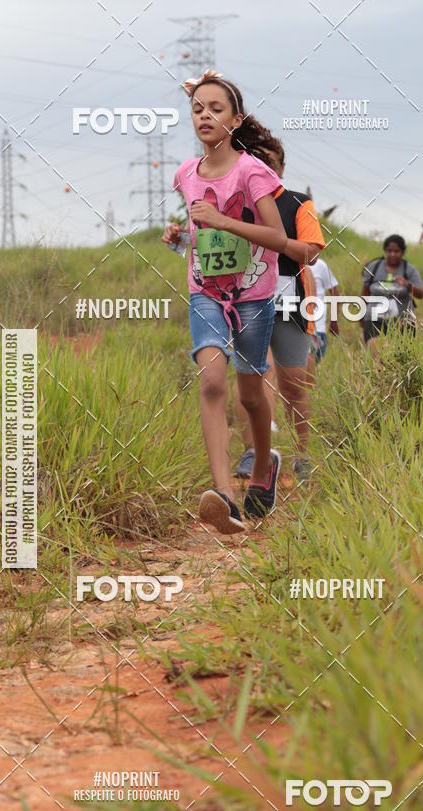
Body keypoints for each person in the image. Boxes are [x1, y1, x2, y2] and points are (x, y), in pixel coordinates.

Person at [163, 69, 287, 534]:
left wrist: (223, 220)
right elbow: (203, 237)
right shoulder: (185, 174)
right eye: (198, 109)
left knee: (250, 395)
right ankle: (225, 499)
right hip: (206, 294)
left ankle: (263, 468)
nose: (204, 116)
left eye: (216, 109)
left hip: (253, 295)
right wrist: (179, 238)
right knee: (213, 380)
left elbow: (277, 238)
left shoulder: (253, 172)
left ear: (235, 120)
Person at [233, 140, 326, 484]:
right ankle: (253, 453)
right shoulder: (237, 203)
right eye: (256, 162)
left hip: (289, 306)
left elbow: (311, 253)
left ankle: (302, 456)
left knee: (295, 384)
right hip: (247, 304)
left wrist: (277, 240)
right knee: (253, 378)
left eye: (270, 163)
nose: (264, 168)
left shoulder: (299, 203)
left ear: (282, 168)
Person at [360, 234, 423, 353]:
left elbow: (420, 294)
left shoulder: (409, 270)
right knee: (376, 354)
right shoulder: (374, 267)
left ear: (403, 252)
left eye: (396, 251)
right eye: (389, 251)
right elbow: (365, 293)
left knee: (401, 356)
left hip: (403, 321)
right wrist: (361, 316)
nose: (393, 254)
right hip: (374, 319)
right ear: (385, 251)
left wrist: (408, 285)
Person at [308, 256, 339, 366]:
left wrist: (334, 321)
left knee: (311, 367)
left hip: (317, 328)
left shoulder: (320, 265)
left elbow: (335, 292)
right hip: (294, 328)